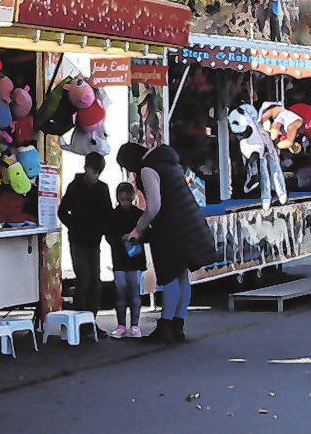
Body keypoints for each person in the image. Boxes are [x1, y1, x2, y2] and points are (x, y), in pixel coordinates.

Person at [116, 138, 217, 340]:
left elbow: (154, 206)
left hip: (172, 227)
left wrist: (138, 229)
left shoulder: (148, 169)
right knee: (182, 277)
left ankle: (165, 328)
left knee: (170, 276)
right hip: (190, 221)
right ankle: (178, 326)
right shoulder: (168, 161)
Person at [58, 150, 113, 324]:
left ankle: (91, 321)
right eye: (93, 171)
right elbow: (62, 211)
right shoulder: (75, 186)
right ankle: (80, 320)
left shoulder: (102, 189)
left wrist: (105, 230)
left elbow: (107, 214)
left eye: (98, 172)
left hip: (94, 240)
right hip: (78, 239)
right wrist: (74, 226)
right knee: (84, 279)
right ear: (87, 168)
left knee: (94, 281)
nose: (95, 176)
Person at [107, 181, 147, 337]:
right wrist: (122, 239)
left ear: (132, 197)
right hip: (122, 258)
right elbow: (109, 235)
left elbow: (145, 234)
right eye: (122, 199)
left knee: (133, 292)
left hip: (132, 258)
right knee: (122, 292)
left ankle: (134, 325)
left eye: (127, 199)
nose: (125, 203)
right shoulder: (113, 215)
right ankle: (122, 325)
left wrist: (133, 237)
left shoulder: (138, 215)